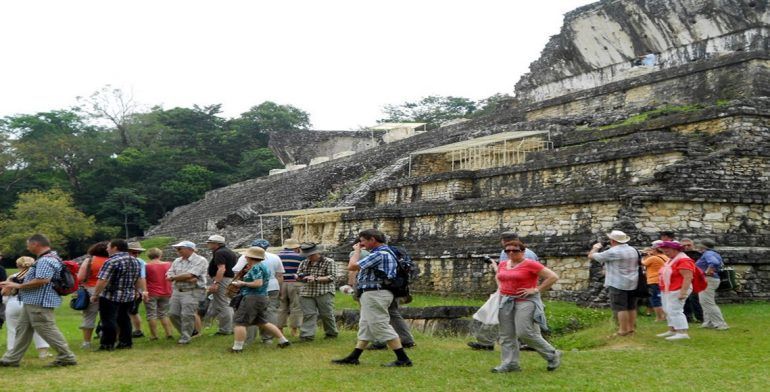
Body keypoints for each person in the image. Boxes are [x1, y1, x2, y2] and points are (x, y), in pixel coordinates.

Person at [333, 229, 412, 367]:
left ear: (372, 240)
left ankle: (403, 359)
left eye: (362, 241)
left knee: (379, 324)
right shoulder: (382, 253)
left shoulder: (379, 254)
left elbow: (352, 266)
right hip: (374, 293)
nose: (361, 244)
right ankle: (354, 356)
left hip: (375, 293)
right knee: (366, 325)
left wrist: (356, 251)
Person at [0, 234, 77, 367]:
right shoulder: (49, 258)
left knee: (47, 329)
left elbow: (43, 280)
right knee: (22, 329)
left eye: (28, 244)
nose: (27, 247)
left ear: (36, 244)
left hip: (39, 302)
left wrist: (18, 286)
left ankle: (67, 357)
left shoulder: (45, 260)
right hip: (32, 301)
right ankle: (11, 359)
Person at [492, 240, 561, 373]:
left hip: (525, 300)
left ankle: (551, 354)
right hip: (506, 300)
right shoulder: (503, 264)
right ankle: (510, 363)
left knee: (525, 332)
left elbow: (553, 277)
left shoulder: (530, 264)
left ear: (523, 251)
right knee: (506, 334)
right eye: (507, 250)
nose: (510, 253)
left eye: (515, 250)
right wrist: (500, 289)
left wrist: (536, 289)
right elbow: (499, 276)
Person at [469, 231, 540, 351]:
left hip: (519, 291)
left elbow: (528, 274)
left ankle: (487, 342)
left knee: (523, 317)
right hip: (507, 290)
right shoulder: (506, 252)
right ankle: (486, 342)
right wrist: (492, 263)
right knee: (495, 313)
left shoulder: (527, 255)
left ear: (505, 241)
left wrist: (533, 290)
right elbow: (503, 271)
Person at [229, 246, 291, 352]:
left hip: (252, 297)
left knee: (240, 322)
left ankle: (237, 348)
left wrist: (242, 283)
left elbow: (258, 283)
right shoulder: (263, 266)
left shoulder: (255, 268)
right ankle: (283, 341)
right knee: (262, 322)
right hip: (262, 297)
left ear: (250, 257)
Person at [90, 239, 146, 351]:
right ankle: (125, 342)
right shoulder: (135, 260)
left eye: (109, 247)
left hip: (111, 295)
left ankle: (107, 344)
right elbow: (139, 279)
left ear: (115, 248)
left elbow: (103, 280)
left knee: (108, 320)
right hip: (128, 295)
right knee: (124, 319)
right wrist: (141, 291)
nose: (107, 249)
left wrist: (95, 294)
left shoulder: (111, 261)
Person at [588, 230, 639, 337]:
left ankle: (623, 330)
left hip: (618, 282)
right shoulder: (633, 250)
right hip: (633, 281)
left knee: (620, 307)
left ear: (612, 240)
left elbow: (592, 256)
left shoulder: (613, 252)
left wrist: (595, 247)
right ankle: (631, 328)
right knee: (631, 306)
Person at [2, 256, 51, 358]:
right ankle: (43, 352)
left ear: (17, 265)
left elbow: (5, 292)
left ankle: (12, 352)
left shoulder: (13, 277)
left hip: (14, 303)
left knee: (13, 329)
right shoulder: (37, 278)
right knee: (38, 328)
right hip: (32, 303)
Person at [166, 240, 208, 344]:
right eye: (177, 248)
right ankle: (190, 332)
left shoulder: (200, 260)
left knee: (187, 315)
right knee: (172, 314)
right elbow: (169, 273)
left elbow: (190, 275)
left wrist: (174, 277)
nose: (177, 250)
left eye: (180, 248)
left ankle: (185, 338)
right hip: (177, 290)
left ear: (190, 249)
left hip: (191, 291)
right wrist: (178, 277)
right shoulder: (177, 260)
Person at [655, 241, 696, 340]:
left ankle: (682, 332)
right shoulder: (671, 259)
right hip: (668, 288)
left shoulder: (683, 260)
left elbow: (688, 277)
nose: (665, 251)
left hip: (678, 288)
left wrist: (683, 292)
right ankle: (672, 329)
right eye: (663, 249)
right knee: (667, 309)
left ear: (675, 249)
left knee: (675, 310)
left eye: (667, 249)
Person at [296, 243, 338, 341]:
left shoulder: (329, 262)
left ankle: (331, 334)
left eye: (311, 255)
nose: (309, 257)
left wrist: (316, 278)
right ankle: (307, 336)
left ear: (317, 253)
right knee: (308, 314)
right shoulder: (304, 263)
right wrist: (300, 278)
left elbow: (332, 277)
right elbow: (299, 275)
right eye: (307, 255)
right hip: (307, 292)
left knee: (327, 314)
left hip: (324, 291)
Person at [76, 241, 110, 349]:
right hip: (108, 290)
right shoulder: (111, 261)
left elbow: (80, 277)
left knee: (89, 317)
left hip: (90, 289)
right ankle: (108, 337)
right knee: (109, 316)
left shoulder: (89, 260)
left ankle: (86, 342)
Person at [203, 234, 238, 336]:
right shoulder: (228, 251)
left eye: (210, 242)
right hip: (227, 279)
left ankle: (225, 329)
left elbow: (221, 268)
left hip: (222, 280)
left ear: (216, 244)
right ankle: (229, 327)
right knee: (225, 303)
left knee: (223, 304)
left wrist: (216, 282)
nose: (208, 244)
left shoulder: (219, 253)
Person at [695, 239, 729, 330]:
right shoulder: (714, 253)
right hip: (710, 279)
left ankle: (720, 323)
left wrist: (708, 270)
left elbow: (714, 262)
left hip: (708, 279)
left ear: (703, 246)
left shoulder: (708, 254)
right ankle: (708, 322)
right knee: (705, 301)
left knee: (707, 302)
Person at [144, 247, 174, 340]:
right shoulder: (169, 264)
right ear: (160, 255)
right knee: (164, 313)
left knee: (151, 314)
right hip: (166, 291)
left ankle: (154, 335)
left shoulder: (147, 266)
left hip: (152, 291)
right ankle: (168, 333)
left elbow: (144, 279)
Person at [277, 238, 304, 337]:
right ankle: (294, 330)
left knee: (281, 307)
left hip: (281, 283)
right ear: (296, 247)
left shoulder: (277, 256)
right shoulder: (300, 257)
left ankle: (279, 330)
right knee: (296, 306)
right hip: (295, 283)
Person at [127, 242, 148, 338]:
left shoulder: (140, 262)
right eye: (134, 252)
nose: (136, 255)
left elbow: (141, 277)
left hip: (134, 291)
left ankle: (137, 330)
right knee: (132, 312)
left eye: (138, 253)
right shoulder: (141, 262)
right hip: (133, 290)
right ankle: (136, 330)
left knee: (132, 312)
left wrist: (139, 291)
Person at [680, 238, 704, 323]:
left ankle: (700, 318)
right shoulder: (679, 255)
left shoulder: (698, 255)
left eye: (688, 245)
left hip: (695, 280)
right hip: (682, 280)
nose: (686, 247)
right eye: (684, 245)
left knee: (695, 300)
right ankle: (688, 317)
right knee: (685, 300)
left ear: (693, 246)